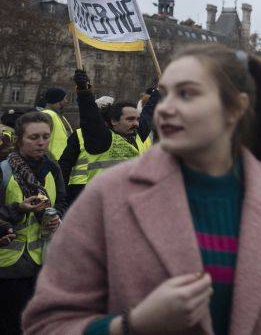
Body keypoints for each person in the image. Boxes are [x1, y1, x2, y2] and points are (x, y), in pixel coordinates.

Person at [22, 45, 261, 334]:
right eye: (164, 95)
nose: (165, 109)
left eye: (187, 94)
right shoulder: (109, 194)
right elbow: (46, 323)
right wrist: (132, 325)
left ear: (236, 107)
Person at [0, 111, 67, 334]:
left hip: (43, 263)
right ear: (19, 139)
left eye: (45, 136)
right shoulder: (4, 170)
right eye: (34, 137)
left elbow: (61, 201)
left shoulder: (52, 167)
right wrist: (19, 208)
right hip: (9, 266)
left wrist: (56, 217)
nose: (41, 143)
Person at [60, 89, 156, 205]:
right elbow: (64, 165)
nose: (135, 123)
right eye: (130, 119)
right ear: (113, 120)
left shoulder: (135, 134)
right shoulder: (99, 137)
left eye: (137, 119)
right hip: (85, 191)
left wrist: (159, 92)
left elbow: (149, 112)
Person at [40, 87, 73, 161]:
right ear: (57, 99)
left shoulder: (59, 116)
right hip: (52, 165)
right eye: (64, 98)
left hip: (61, 163)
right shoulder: (47, 115)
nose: (66, 101)